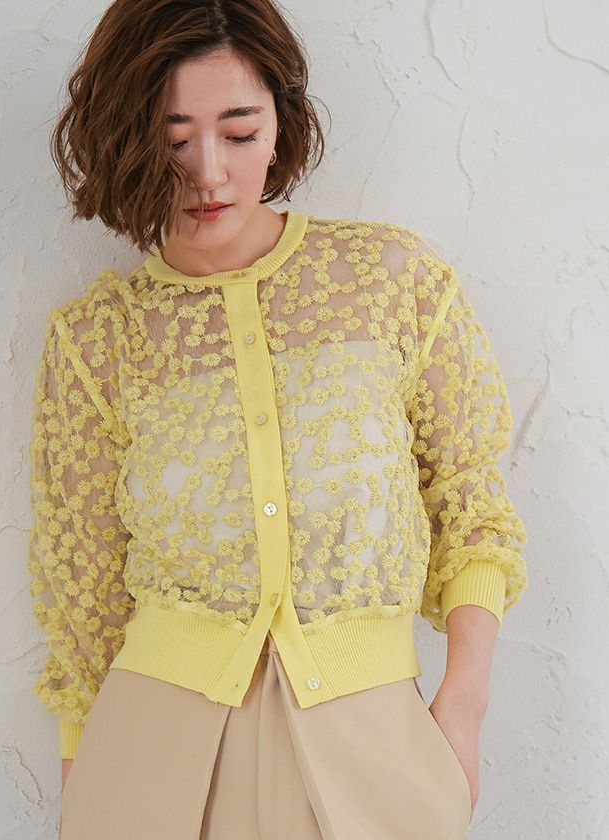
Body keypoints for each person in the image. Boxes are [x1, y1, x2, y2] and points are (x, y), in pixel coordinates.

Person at [26, 1, 529, 838]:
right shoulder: (97, 341)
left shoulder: (391, 281)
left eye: (239, 131)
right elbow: (84, 600)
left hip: (380, 748)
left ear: (281, 124)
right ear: (123, 141)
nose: (209, 173)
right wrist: (82, 787)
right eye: (172, 140)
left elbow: (472, 506)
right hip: (146, 761)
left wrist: (463, 711)